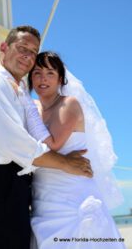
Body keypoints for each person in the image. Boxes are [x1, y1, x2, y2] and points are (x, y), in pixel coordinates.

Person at [0, 26, 93, 249]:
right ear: (4, 47)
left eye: (33, 52)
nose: (28, 56)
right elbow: (13, 142)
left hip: (16, 182)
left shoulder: (19, 87)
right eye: (22, 48)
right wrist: (65, 163)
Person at [25, 51, 125, 249]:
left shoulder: (68, 103)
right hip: (43, 196)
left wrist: (28, 108)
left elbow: (52, 145)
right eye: (37, 73)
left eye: (50, 73)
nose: (43, 78)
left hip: (71, 194)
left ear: (60, 79)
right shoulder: (33, 107)